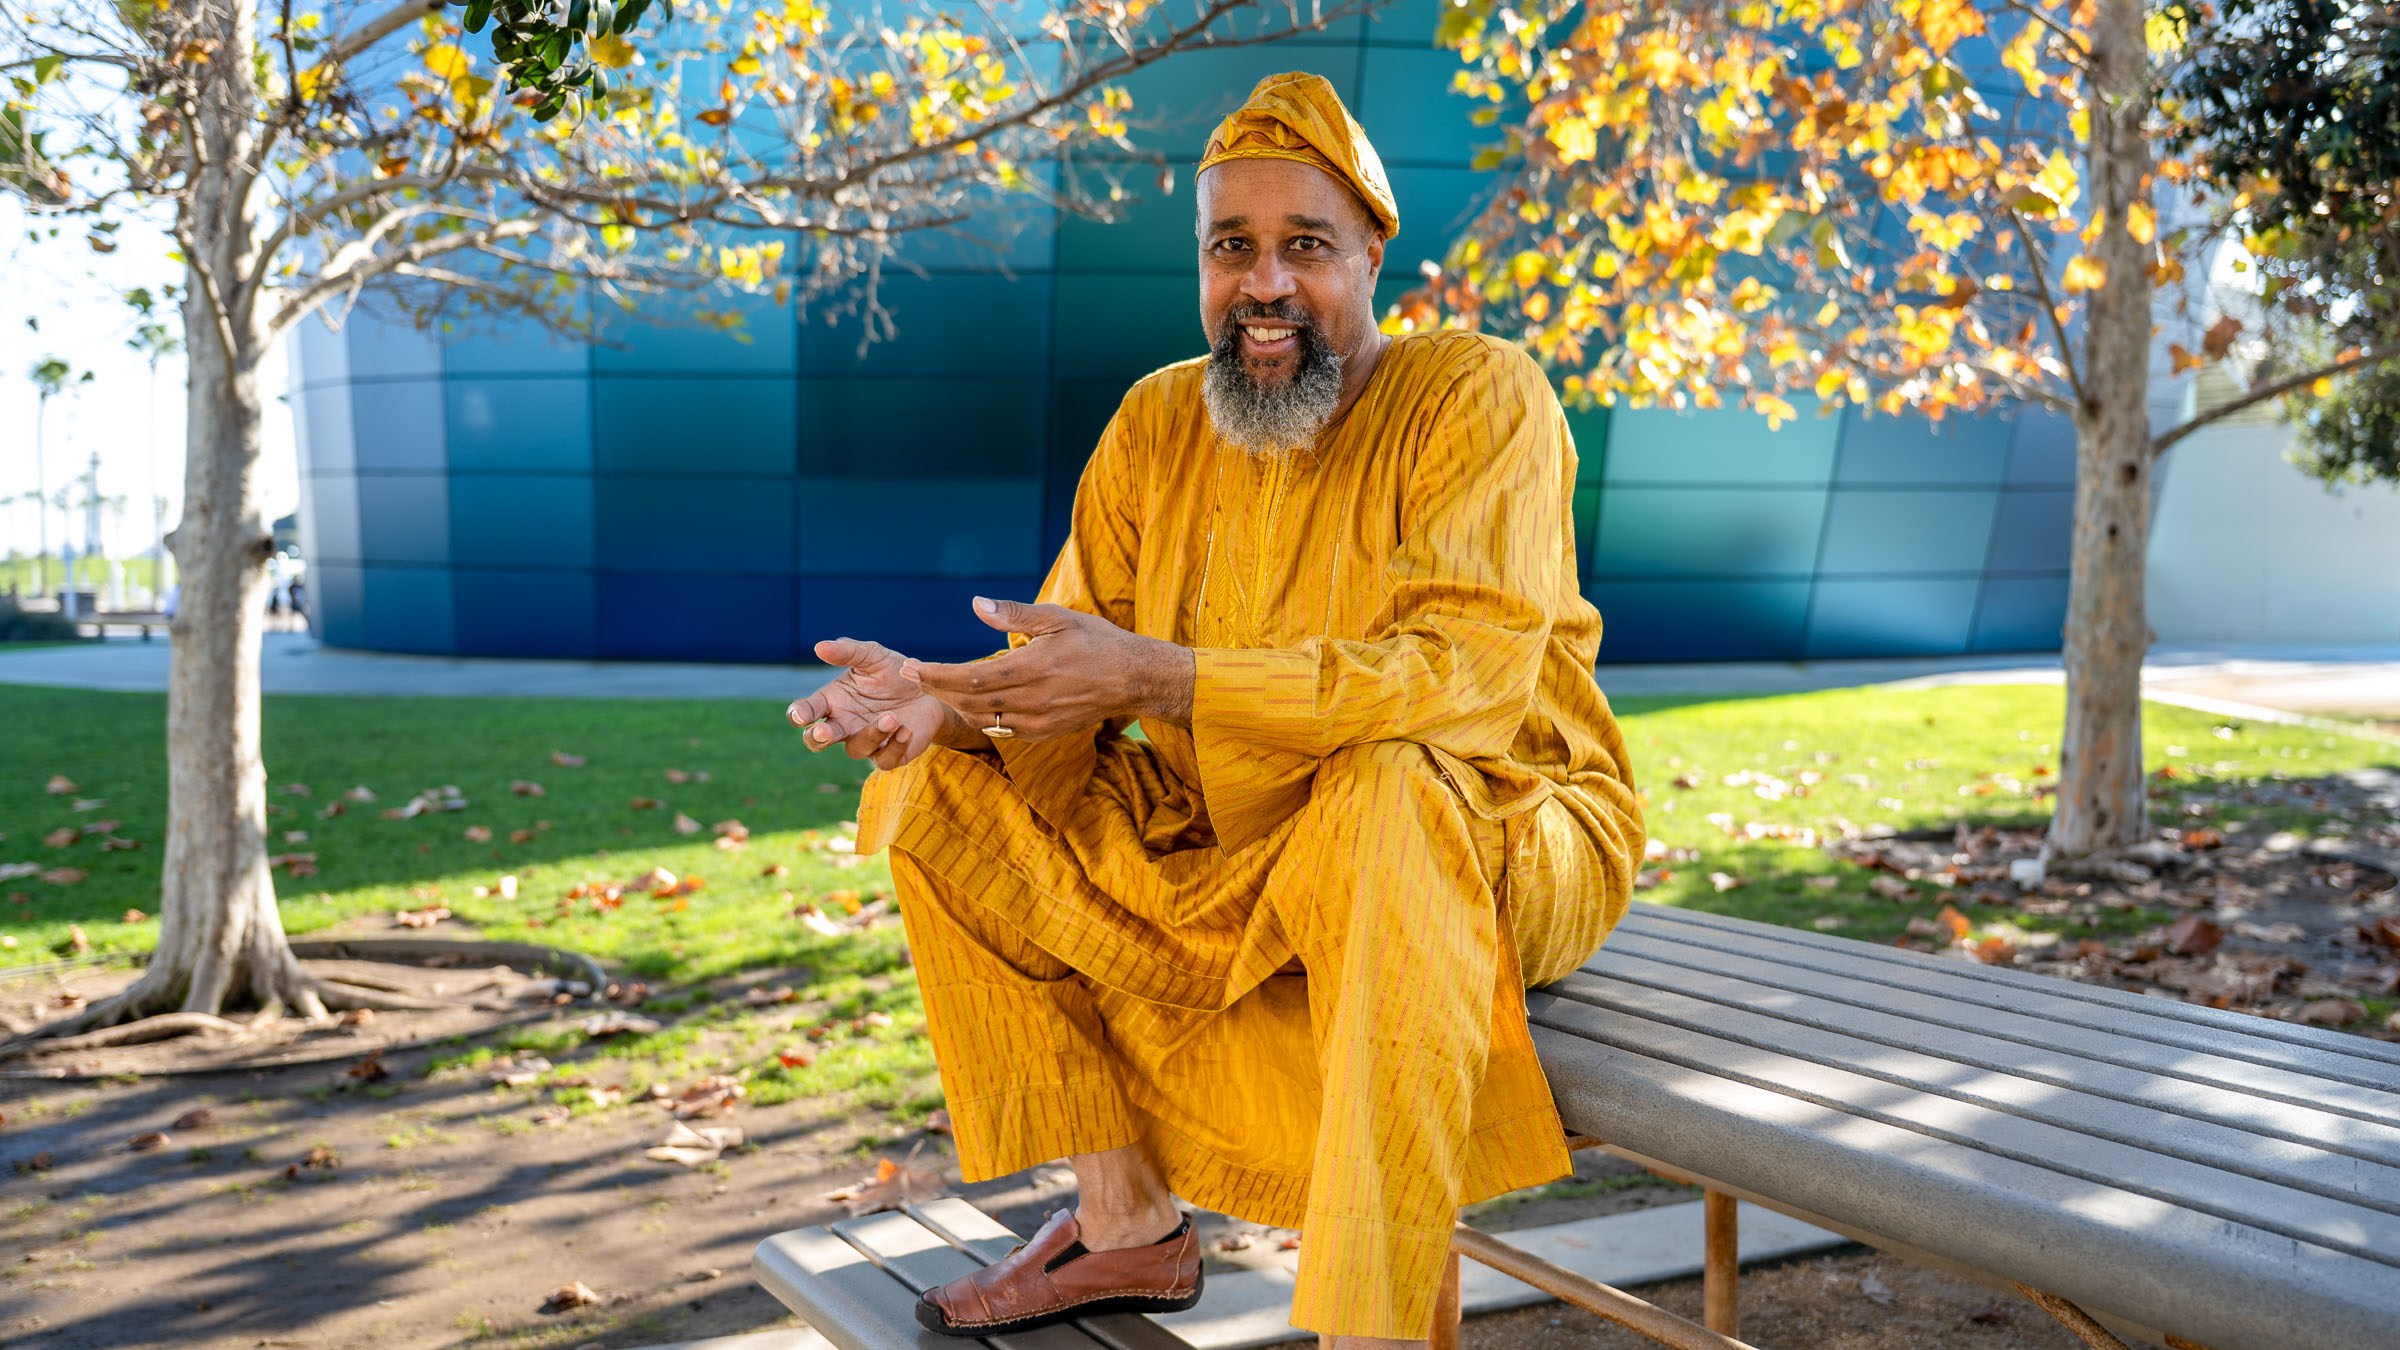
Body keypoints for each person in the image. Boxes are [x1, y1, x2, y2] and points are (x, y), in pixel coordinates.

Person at [786, 72, 1643, 1346]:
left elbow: (1457, 681)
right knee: (936, 792)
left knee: (1388, 787)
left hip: (1499, 829)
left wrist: (1168, 678)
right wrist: (945, 704)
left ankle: (1376, 1329)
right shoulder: (1155, 420)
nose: (1265, 284)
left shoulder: (1477, 393)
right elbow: (1069, 668)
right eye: (1231, 248)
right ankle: (1126, 1223)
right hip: (1240, 833)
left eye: (1307, 246)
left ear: (1370, 258)